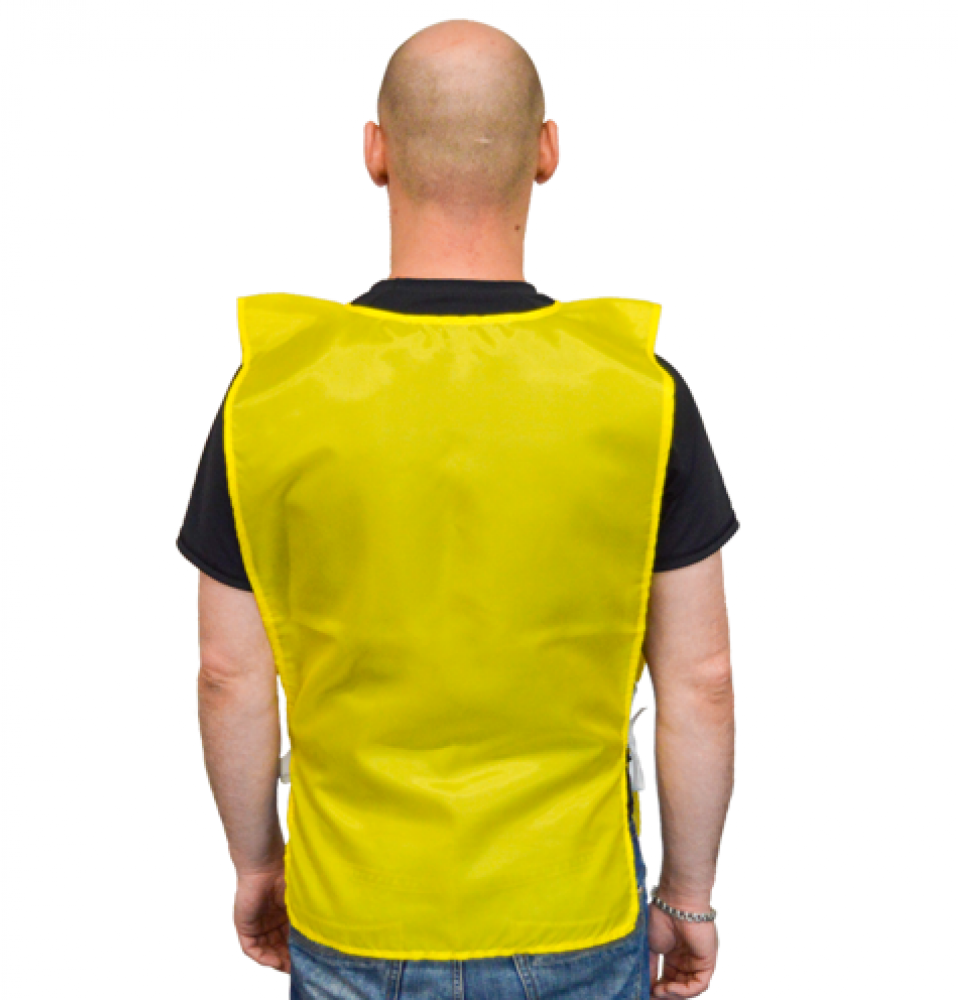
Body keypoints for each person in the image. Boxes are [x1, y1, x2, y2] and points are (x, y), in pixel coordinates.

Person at [178, 18, 737, 1000]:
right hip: (572, 911)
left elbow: (230, 674)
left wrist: (258, 865)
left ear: (376, 153)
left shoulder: (271, 394)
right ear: (547, 151)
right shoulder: (639, 395)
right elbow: (701, 681)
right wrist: (687, 900)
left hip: (353, 909)